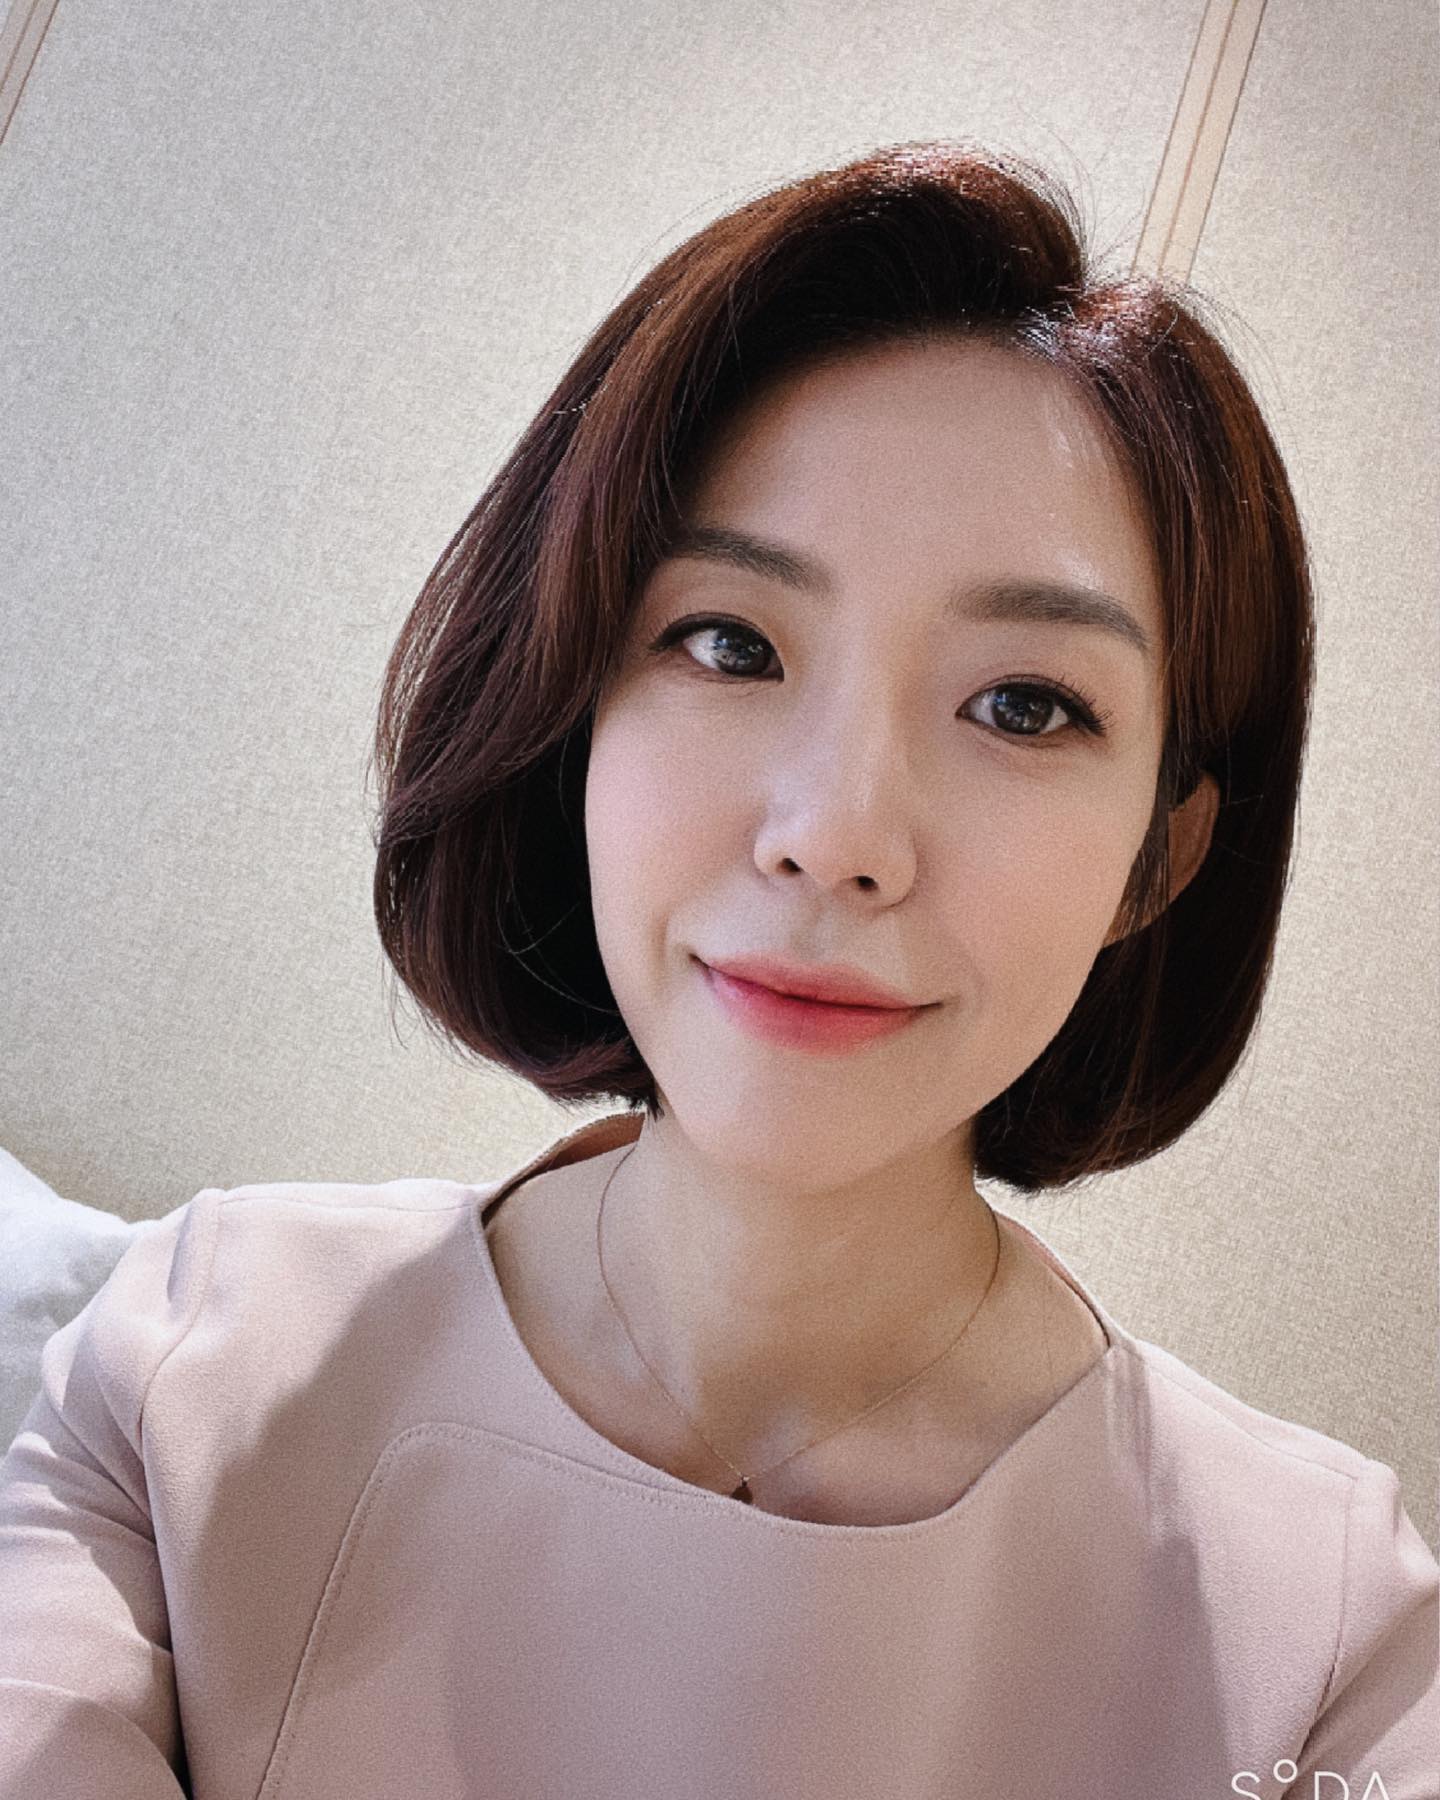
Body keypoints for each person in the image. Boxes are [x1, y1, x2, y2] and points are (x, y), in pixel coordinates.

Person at [0, 140, 1434, 1798]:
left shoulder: (1319, 1648)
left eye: (1025, 704)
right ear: (573, 714)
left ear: (1159, 861)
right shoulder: (192, 1371)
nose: (837, 837)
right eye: (729, 643)